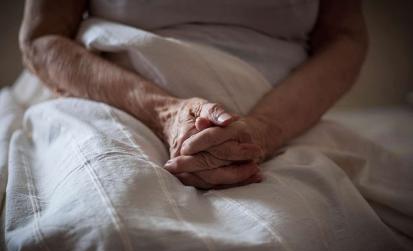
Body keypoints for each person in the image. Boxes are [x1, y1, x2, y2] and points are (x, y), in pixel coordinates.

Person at [19, 0, 367, 189]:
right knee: (105, 217)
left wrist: (262, 130)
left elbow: (344, 38)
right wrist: (166, 113)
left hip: (288, 119)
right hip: (115, 103)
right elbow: (41, 38)